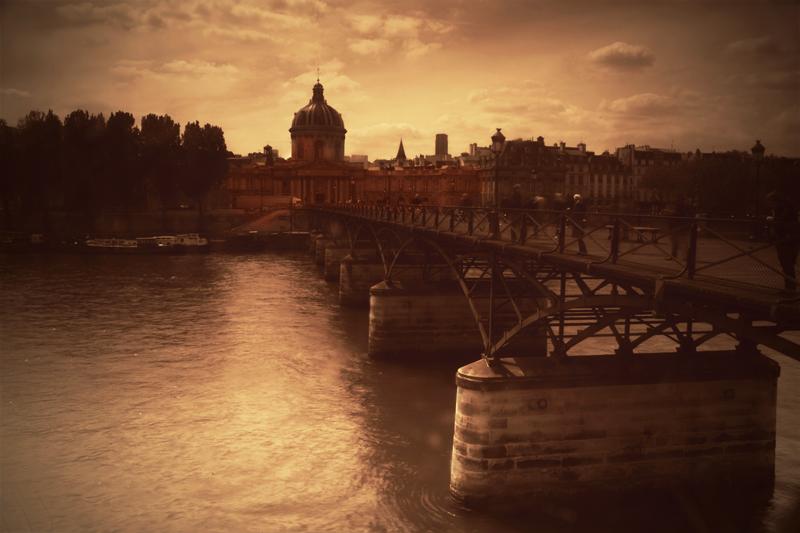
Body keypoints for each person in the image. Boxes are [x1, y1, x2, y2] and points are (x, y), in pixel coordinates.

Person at [767, 191, 799, 291]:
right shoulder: (785, 208)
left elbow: (780, 223)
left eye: (770, 202)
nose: (769, 204)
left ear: (775, 201)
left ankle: (790, 287)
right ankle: (789, 286)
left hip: (786, 240)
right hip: (787, 240)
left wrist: (773, 222)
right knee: (787, 265)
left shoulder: (783, 210)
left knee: (787, 264)